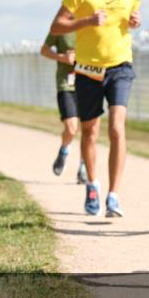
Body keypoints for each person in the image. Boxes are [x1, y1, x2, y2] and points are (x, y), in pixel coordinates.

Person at [48, 0, 140, 216]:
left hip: (120, 65)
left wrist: (136, 22)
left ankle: (114, 194)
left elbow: (133, 19)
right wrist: (85, 22)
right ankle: (92, 184)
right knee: (89, 131)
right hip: (88, 69)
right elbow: (57, 25)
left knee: (116, 127)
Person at [40, 31, 88, 184]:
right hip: (67, 84)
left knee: (88, 131)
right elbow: (44, 50)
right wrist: (62, 57)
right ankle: (64, 149)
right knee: (72, 129)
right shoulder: (61, 26)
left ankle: (83, 168)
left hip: (90, 82)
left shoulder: (93, 23)